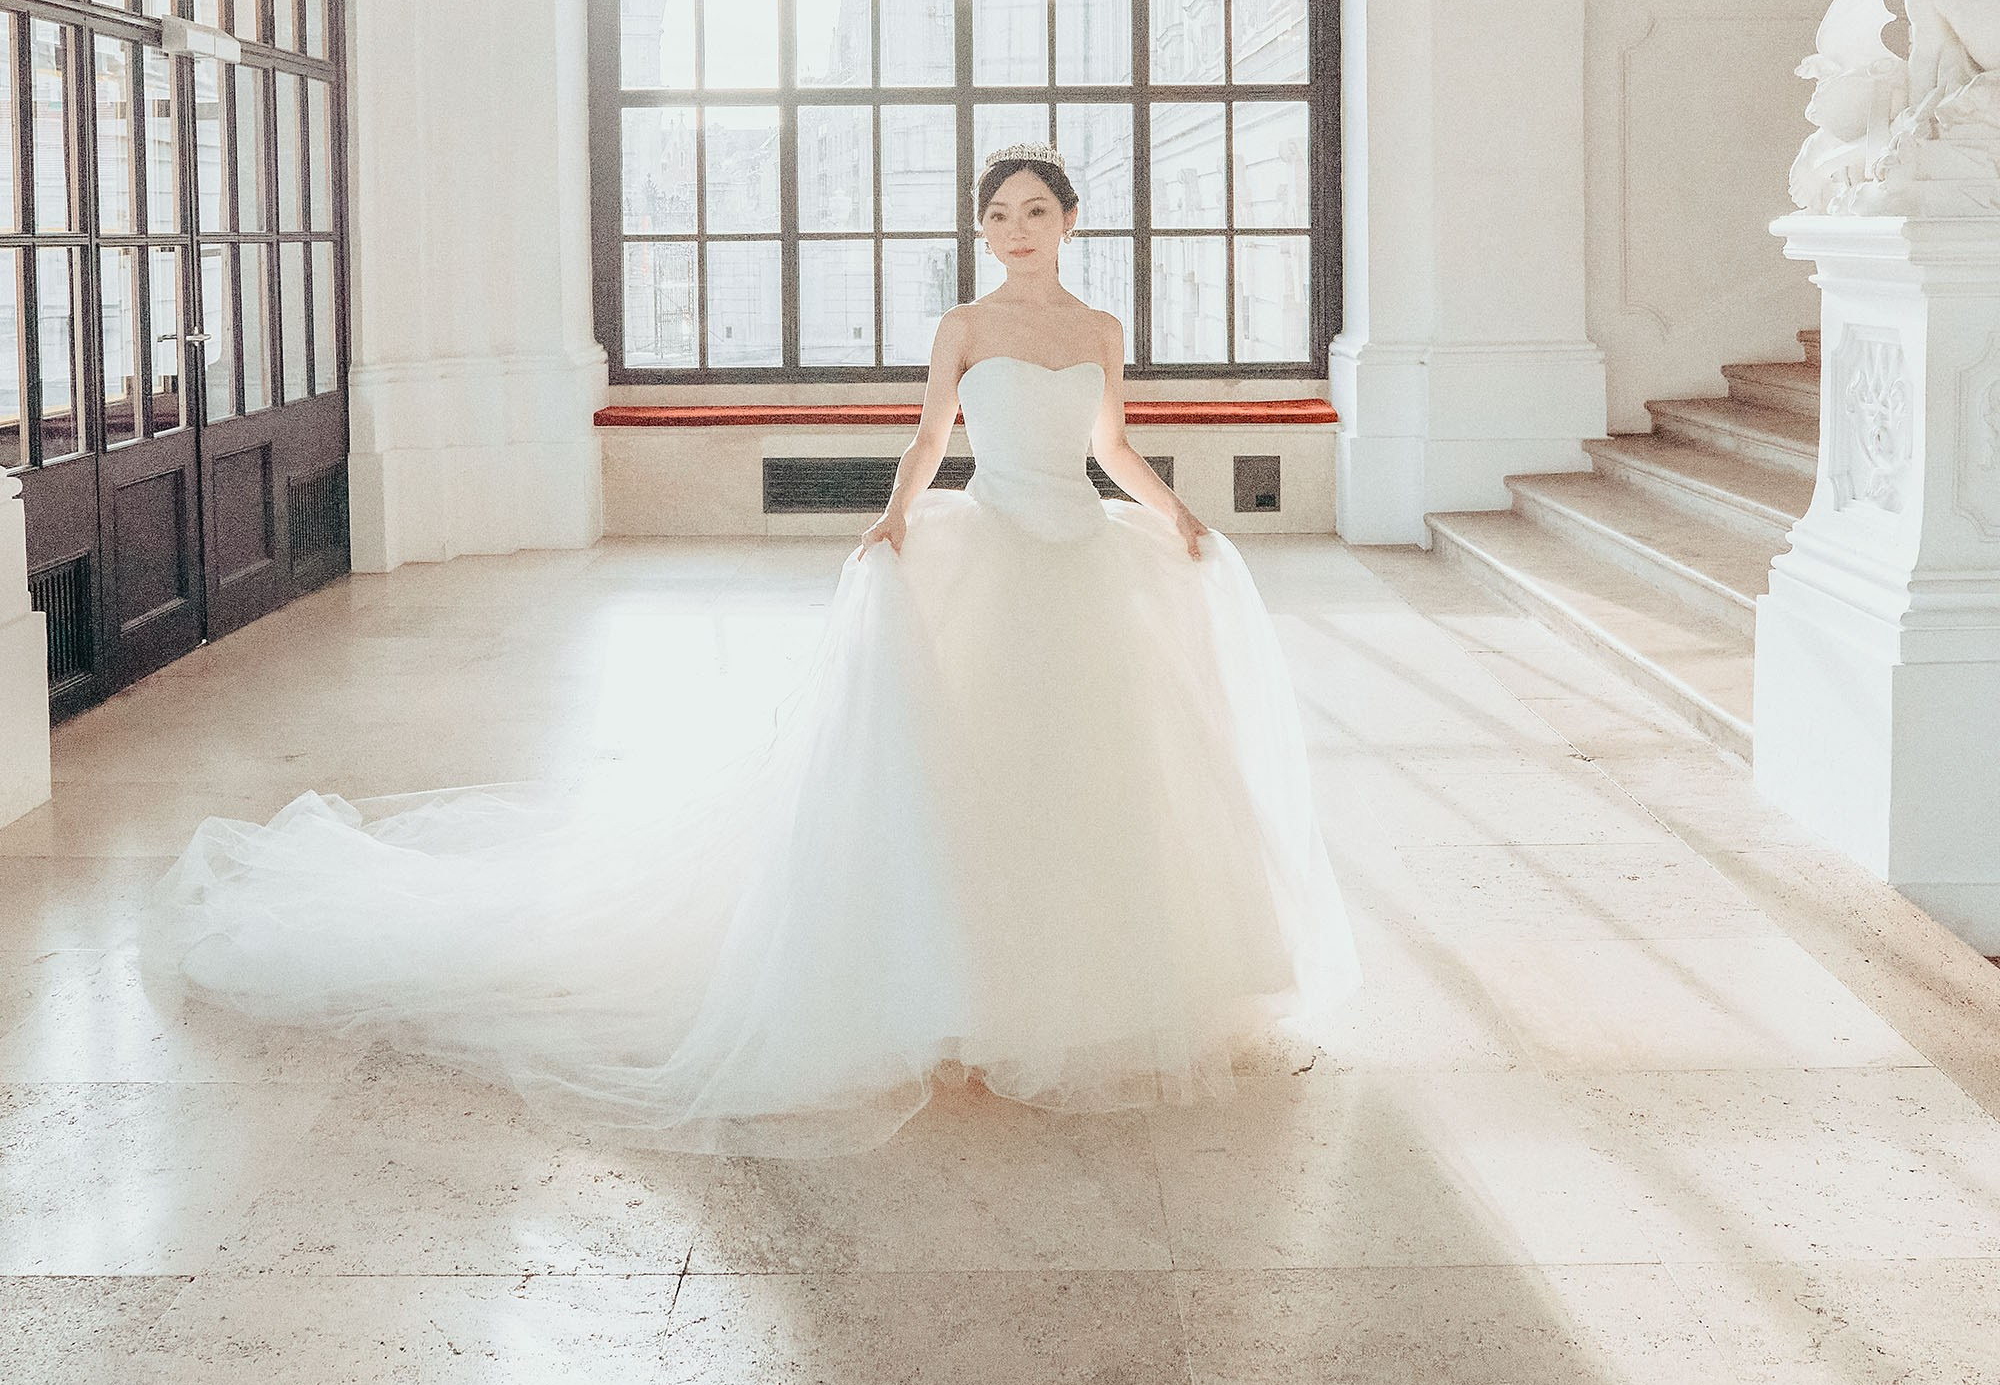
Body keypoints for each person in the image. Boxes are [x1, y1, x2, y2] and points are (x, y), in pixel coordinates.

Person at [143, 146, 1358, 1155]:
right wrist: (891, 520)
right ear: (983, 229)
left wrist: (1178, 515)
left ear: (1071, 220)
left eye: (1034, 211)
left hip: (1082, 553)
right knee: (971, 774)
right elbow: (933, 435)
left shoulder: (1098, 326)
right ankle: (969, 992)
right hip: (989, 543)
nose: (1015, 229)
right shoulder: (963, 321)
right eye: (997, 214)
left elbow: (1111, 448)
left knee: (1092, 777)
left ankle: (1091, 990)